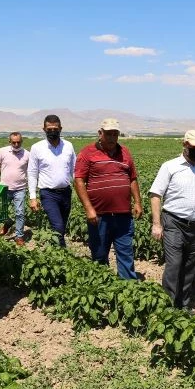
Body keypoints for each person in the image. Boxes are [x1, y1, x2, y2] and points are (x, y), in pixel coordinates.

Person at [149, 130, 195, 310]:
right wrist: (156, 224)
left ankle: (184, 305)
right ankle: (168, 306)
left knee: (190, 266)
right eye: (194, 147)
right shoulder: (170, 166)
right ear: (184, 144)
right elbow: (156, 195)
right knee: (174, 265)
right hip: (173, 222)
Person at [74, 118, 143, 279]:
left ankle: (128, 288)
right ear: (100, 133)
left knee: (126, 253)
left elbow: (132, 178)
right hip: (99, 215)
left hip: (123, 215)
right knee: (99, 254)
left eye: (115, 134)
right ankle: (102, 286)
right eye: (108, 134)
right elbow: (78, 181)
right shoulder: (87, 153)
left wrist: (138, 202)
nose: (112, 138)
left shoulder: (125, 152)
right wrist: (89, 209)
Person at [28, 114, 77, 247]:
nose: (52, 131)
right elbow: (32, 173)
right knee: (58, 226)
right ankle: (62, 253)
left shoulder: (68, 146)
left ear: (61, 128)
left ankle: (56, 251)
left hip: (66, 192)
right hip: (48, 194)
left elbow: (75, 170)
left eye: (55, 128)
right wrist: (33, 197)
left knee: (62, 227)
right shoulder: (37, 148)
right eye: (49, 129)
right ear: (44, 129)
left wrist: (80, 190)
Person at [0, 132, 29, 246]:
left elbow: (32, 171)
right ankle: (7, 222)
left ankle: (19, 236)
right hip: (4, 188)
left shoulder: (27, 154)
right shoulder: (2, 151)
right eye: (14, 142)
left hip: (20, 188)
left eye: (19, 142)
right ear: (10, 142)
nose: (16, 144)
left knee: (20, 213)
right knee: (0, 211)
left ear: (22, 142)